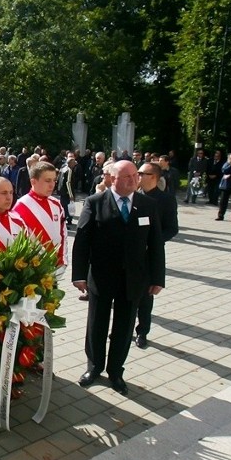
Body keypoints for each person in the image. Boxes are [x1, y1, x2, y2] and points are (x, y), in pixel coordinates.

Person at [72, 160, 165, 396]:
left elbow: (155, 244)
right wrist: (79, 275)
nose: (134, 180)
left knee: (124, 328)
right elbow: (82, 240)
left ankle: (116, 372)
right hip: (102, 277)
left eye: (136, 176)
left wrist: (157, 277)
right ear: (113, 179)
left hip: (134, 278)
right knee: (97, 325)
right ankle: (94, 368)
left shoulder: (147, 205)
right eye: (127, 177)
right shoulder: (95, 202)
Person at [134, 162, 178, 348]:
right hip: (130, 254)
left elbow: (172, 228)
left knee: (145, 297)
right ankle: (123, 329)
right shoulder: (133, 196)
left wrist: (154, 241)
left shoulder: (166, 200)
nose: (138, 176)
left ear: (154, 177)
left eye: (142, 173)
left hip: (149, 256)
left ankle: (142, 332)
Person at [14, 162, 69, 275]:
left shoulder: (56, 204)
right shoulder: (21, 206)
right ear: (33, 181)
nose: (52, 185)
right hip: (31, 270)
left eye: (54, 180)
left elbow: (63, 234)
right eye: (47, 181)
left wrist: (62, 260)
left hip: (54, 265)